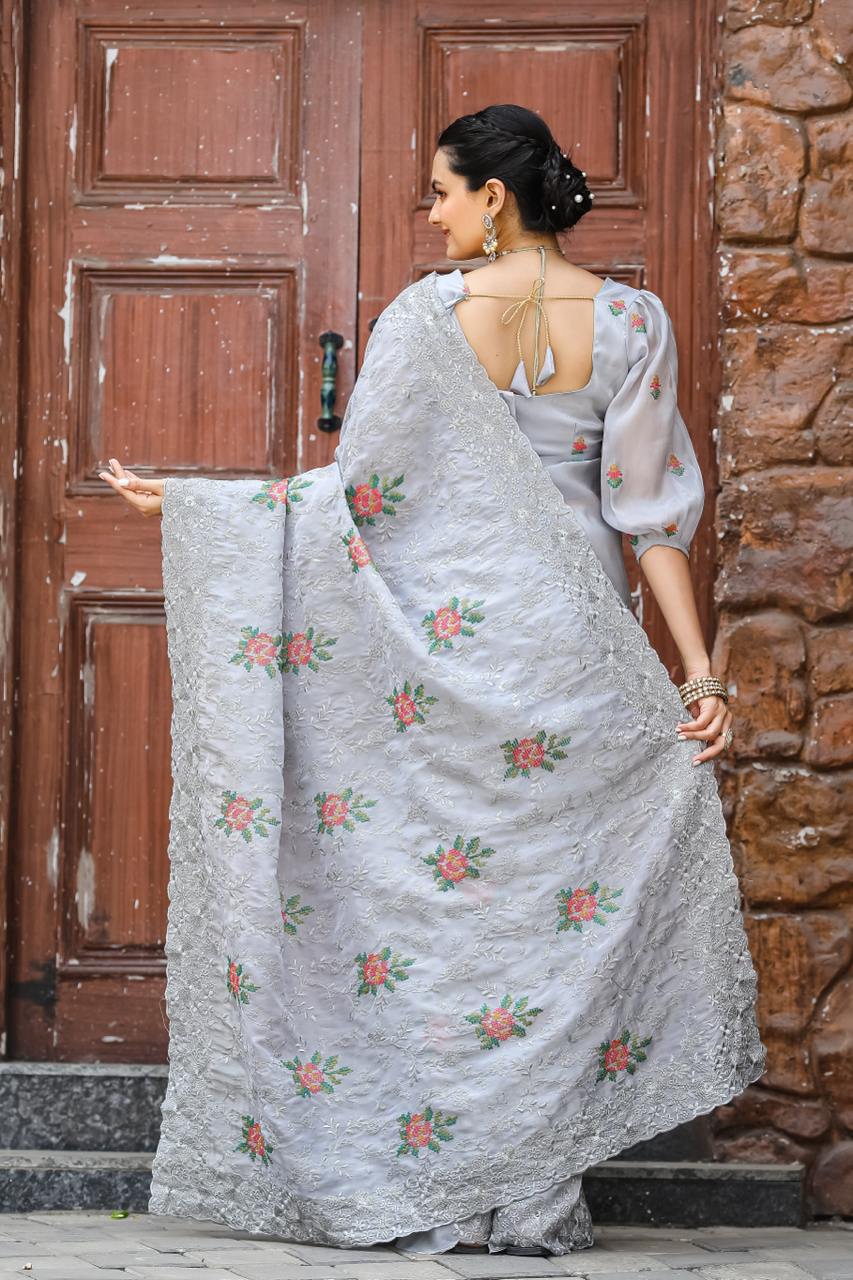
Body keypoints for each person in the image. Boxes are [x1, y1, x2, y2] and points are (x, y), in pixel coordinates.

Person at [100, 104, 764, 1259]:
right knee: (546, 932)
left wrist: (209, 507)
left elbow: (360, 501)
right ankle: (531, 1196)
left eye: (444, 191)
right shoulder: (630, 321)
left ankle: (448, 1185)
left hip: (443, 667)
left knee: (448, 919)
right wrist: (698, 675)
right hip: (574, 665)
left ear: (492, 198)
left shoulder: (426, 318)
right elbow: (650, 516)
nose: (433, 212)